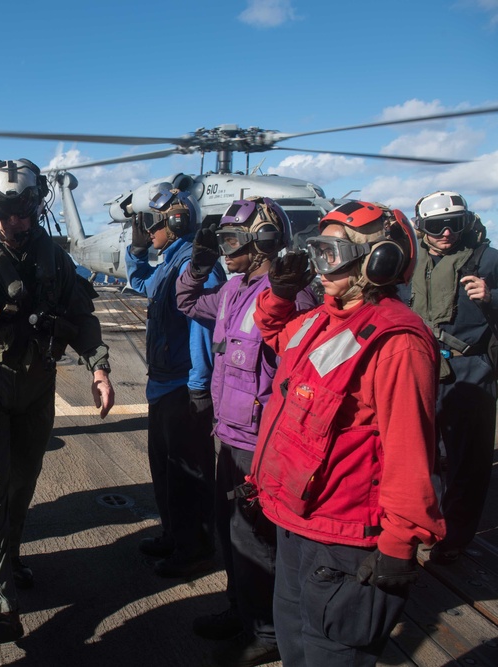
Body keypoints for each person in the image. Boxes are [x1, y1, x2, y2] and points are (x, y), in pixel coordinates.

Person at [244, 201, 445, 666]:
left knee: (333, 656)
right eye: (317, 251)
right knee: (295, 650)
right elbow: (274, 333)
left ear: (380, 262)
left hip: (344, 546)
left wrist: (399, 545)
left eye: (331, 254)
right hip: (295, 526)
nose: (319, 266)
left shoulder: (398, 343)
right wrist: (281, 291)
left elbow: (410, 455)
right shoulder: (320, 319)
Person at [0, 159, 115, 646]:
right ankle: (0, 604)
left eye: (28, 207)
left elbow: (79, 311)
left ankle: (6, 562)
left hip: (34, 391)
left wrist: (98, 366)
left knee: (20, 488)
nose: (19, 219)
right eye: (9, 209)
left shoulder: (51, 255)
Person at [175, 197, 317, 666]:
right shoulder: (235, 289)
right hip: (229, 434)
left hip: (261, 442)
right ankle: (241, 612)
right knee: (230, 532)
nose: (225, 250)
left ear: (265, 243)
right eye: (222, 241)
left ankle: (268, 631)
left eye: (233, 241)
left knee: (256, 540)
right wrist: (197, 264)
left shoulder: (291, 297)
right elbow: (188, 301)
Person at [125, 187, 225, 578]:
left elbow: (203, 330)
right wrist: (136, 254)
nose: (148, 231)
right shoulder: (171, 262)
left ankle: (196, 549)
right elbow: (144, 285)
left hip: (184, 386)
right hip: (163, 384)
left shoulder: (199, 267)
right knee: (166, 470)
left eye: (153, 223)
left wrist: (199, 388)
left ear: (177, 222)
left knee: (189, 475)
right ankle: (174, 534)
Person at [398, 191, 498, 565]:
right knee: (421, 454)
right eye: (435, 226)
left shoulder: (486, 259)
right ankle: (426, 525)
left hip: (469, 370)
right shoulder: (409, 262)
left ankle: (454, 537)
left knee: (468, 461)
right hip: (418, 367)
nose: (445, 233)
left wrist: (492, 297)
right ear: (420, 228)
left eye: (453, 224)